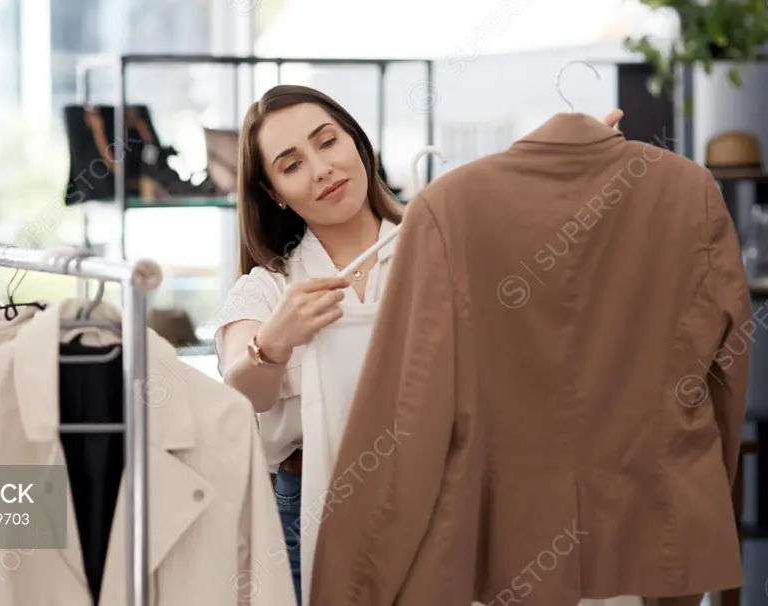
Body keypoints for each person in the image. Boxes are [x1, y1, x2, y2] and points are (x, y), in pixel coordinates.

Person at [214, 83, 625, 604]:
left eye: (328, 142)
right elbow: (239, 392)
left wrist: (576, 176)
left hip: (441, 499)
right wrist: (272, 342)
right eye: (292, 165)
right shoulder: (268, 289)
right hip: (308, 516)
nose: (321, 169)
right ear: (274, 192)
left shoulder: (449, 256)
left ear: (358, 145)